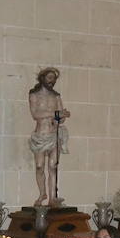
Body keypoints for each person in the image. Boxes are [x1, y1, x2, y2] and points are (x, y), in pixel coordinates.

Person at [28, 67, 70, 206]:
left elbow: (61, 117)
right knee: (40, 166)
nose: (52, 81)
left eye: (54, 79)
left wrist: (60, 117)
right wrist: (55, 114)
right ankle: (42, 194)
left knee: (53, 166)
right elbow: (35, 114)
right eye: (49, 78)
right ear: (43, 78)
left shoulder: (56, 96)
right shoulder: (34, 95)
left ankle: (52, 198)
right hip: (40, 135)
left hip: (53, 135)